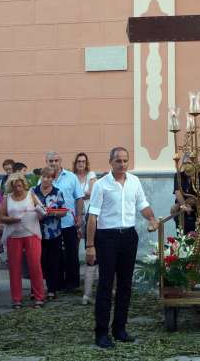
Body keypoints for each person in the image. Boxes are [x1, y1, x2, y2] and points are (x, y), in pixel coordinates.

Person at [86, 147, 158, 349]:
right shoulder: (101, 185)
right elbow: (92, 217)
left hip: (128, 237)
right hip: (107, 237)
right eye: (118, 160)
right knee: (106, 285)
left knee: (126, 285)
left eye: (125, 160)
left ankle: (120, 329)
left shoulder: (134, 181)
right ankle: (101, 333)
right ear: (111, 162)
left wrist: (151, 218)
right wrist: (90, 246)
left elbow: (143, 205)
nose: (122, 164)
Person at [0, 172, 46, 309]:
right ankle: (17, 299)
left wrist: (41, 213)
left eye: (19, 186)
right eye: (14, 186)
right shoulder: (7, 198)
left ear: (23, 184)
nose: (17, 189)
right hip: (14, 235)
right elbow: (1, 216)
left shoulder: (31, 195)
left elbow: (41, 212)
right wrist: (12, 220)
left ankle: (39, 297)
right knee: (14, 268)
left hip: (31, 233)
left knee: (35, 266)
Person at [44, 152, 84, 292]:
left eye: (56, 160)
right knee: (55, 256)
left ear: (60, 161)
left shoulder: (71, 177)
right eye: (50, 161)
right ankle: (57, 284)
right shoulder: (43, 179)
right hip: (51, 226)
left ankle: (72, 284)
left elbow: (79, 198)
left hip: (69, 222)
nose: (53, 163)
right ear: (46, 162)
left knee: (71, 253)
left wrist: (79, 216)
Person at [31, 166, 67, 300]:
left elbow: (63, 211)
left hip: (54, 233)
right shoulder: (33, 192)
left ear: (53, 178)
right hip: (35, 232)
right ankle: (36, 289)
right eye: (44, 176)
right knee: (37, 262)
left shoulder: (57, 192)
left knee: (53, 262)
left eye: (49, 177)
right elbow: (28, 208)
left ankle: (52, 289)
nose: (46, 179)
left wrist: (50, 212)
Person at [74, 152, 100, 305]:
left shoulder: (91, 175)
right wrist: (81, 196)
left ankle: (104, 289)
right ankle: (82, 288)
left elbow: (91, 193)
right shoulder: (73, 176)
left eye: (83, 161)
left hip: (90, 212)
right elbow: (83, 194)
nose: (81, 164)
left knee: (99, 255)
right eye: (79, 161)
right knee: (79, 247)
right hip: (78, 213)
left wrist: (78, 196)